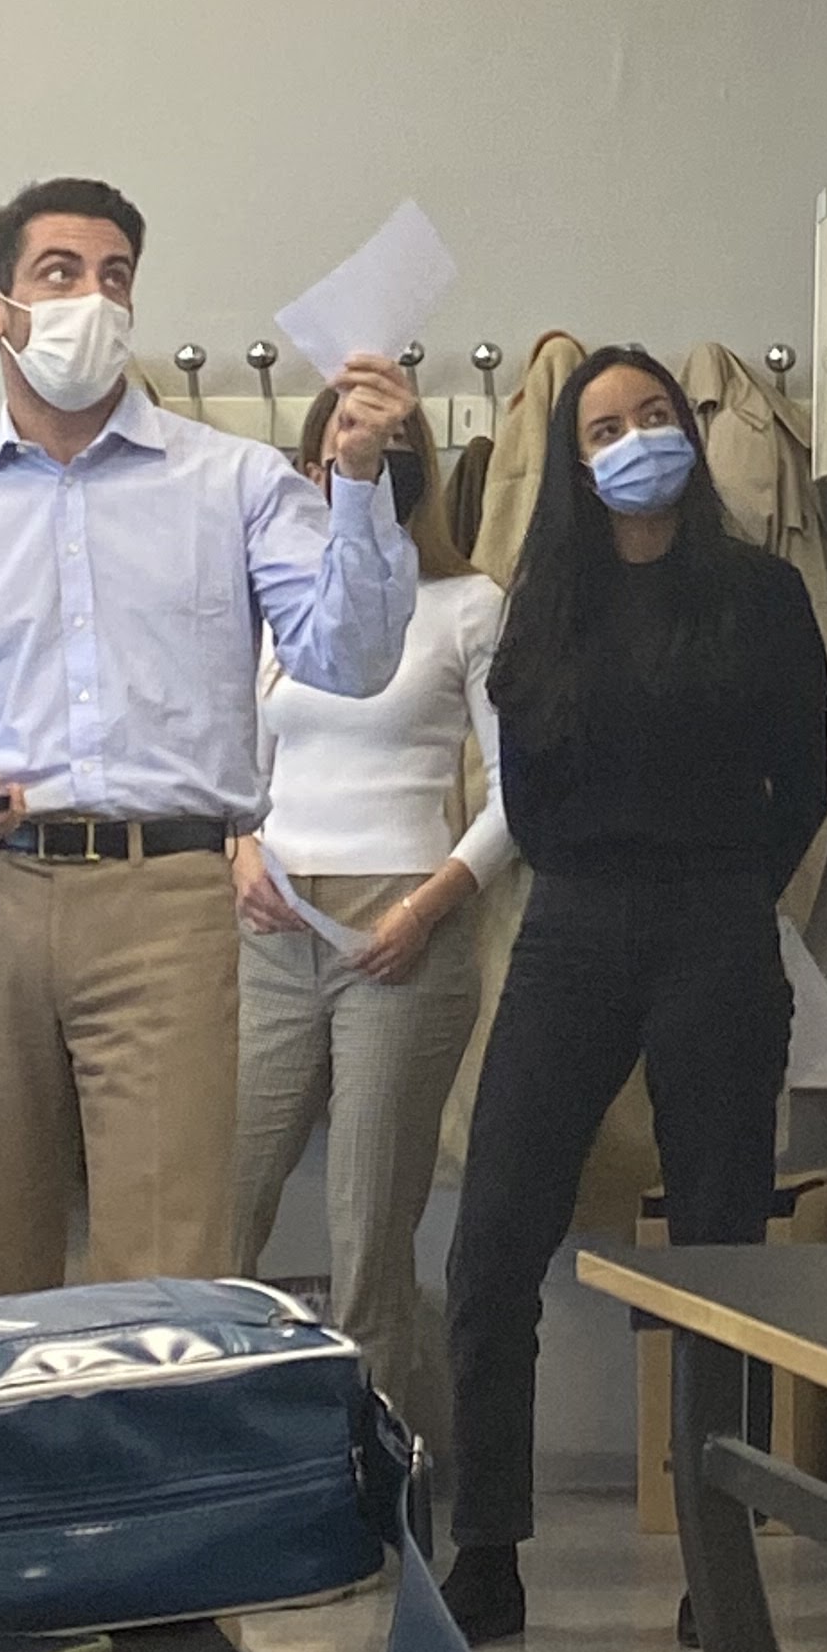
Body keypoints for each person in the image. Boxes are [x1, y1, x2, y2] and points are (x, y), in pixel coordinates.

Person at [0, 180, 418, 1300]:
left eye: (115, 277)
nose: (92, 300)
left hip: (167, 893)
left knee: (167, 1260)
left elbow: (350, 659)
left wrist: (356, 478)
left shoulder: (234, 482)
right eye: (59, 274)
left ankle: (150, 1421)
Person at [440, 347, 827, 1648]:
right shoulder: (544, 599)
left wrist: (733, 895)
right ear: (575, 459)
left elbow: (803, 783)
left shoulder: (760, 595)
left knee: (720, 1250)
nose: (637, 439)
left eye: (656, 415)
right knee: (495, 1235)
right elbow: (526, 795)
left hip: (718, 921)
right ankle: (487, 1550)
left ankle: (718, 1561)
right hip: (574, 924)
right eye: (606, 427)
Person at [229, 393, 513, 1455]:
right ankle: (219, 1453)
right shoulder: (280, 605)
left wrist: (430, 905)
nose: (367, 463)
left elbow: (514, 795)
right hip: (273, 924)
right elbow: (241, 770)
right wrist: (239, 851)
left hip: (402, 932)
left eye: (393, 448)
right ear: (312, 470)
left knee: (368, 1228)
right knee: (221, 1203)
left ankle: (372, 1477)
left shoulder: (468, 603)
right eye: (345, 447)